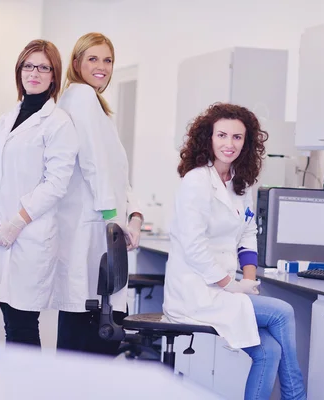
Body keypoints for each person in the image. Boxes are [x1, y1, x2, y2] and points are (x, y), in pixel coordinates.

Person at [163, 103, 306, 400]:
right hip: (196, 292)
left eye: (237, 137)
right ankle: (296, 397)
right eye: (222, 135)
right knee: (283, 313)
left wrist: (249, 281)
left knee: (269, 351)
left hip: (226, 288)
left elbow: (248, 233)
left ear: (247, 142)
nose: (229, 144)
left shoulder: (241, 182)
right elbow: (193, 245)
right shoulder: (197, 181)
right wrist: (232, 286)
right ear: (208, 138)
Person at [0, 39, 78, 347]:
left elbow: (56, 182)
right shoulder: (4, 121)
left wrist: (17, 222)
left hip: (30, 236)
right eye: (28, 66)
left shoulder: (58, 123)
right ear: (19, 71)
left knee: (22, 325)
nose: (34, 73)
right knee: (10, 323)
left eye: (43, 67)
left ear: (54, 76)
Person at [52, 32, 143, 356]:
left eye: (107, 60)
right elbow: (95, 165)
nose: (102, 66)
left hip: (98, 228)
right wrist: (114, 221)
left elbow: (116, 174)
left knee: (85, 329)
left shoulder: (92, 103)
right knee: (92, 333)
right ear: (76, 63)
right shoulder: (81, 97)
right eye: (93, 58)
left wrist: (134, 216)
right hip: (93, 232)